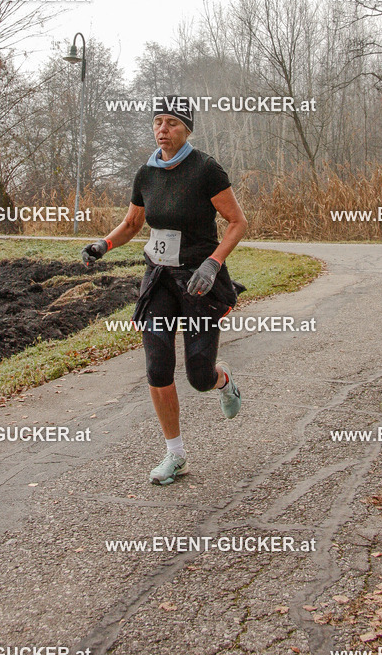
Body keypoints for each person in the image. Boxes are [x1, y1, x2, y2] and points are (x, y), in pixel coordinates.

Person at [82, 95, 248, 485]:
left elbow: (238, 222)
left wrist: (213, 262)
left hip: (198, 280)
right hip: (158, 279)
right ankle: (176, 456)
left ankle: (222, 380)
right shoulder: (146, 173)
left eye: (172, 122)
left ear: (187, 129)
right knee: (157, 367)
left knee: (198, 375)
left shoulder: (205, 169)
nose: (163, 129)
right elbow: (132, 223)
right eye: (158, 122)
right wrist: (101, 245)